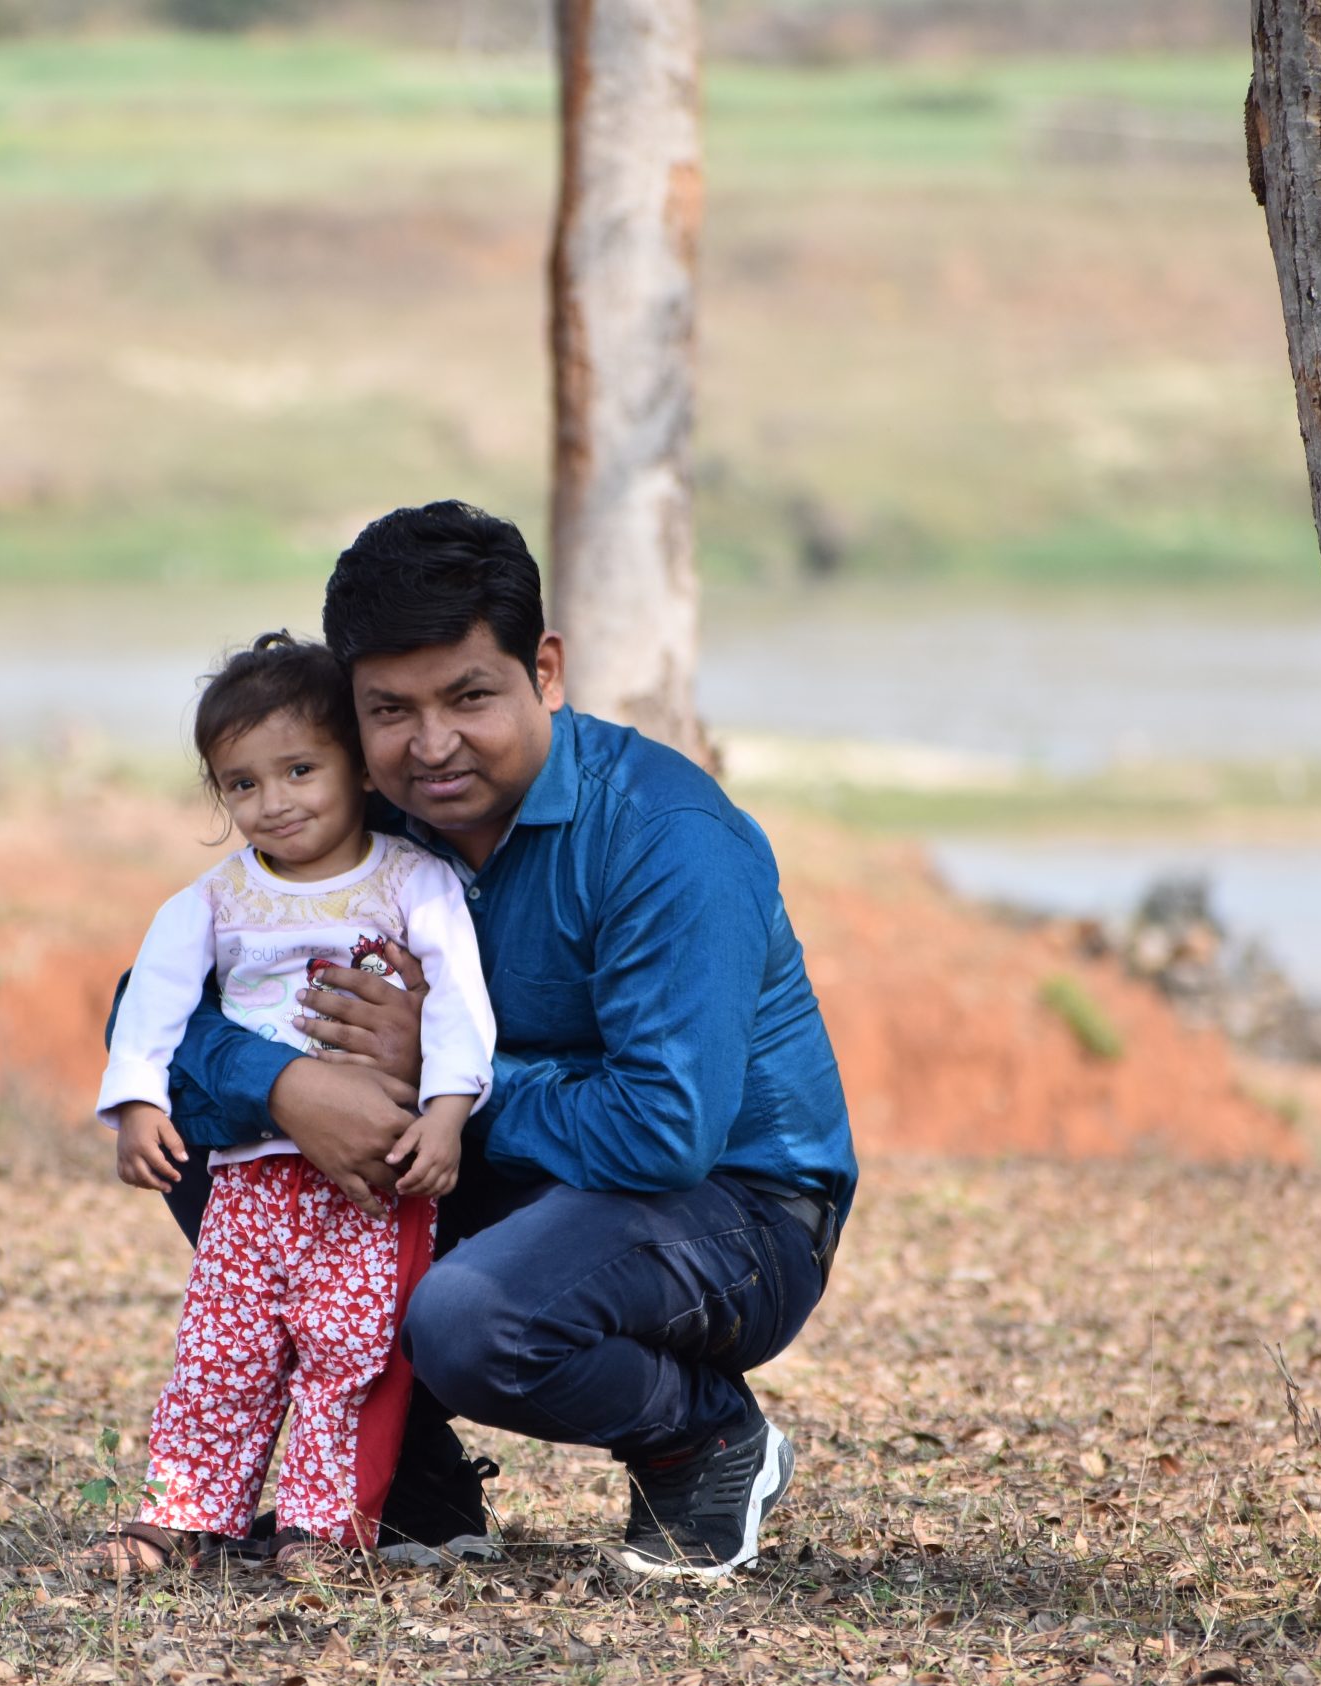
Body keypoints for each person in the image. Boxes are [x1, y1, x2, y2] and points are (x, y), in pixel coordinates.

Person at [149, 502, 856, 1578]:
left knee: (474, 1319)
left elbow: (664, 1133)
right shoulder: (363, 825)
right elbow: (150, 1015)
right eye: (389, 710)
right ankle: (413, 1489)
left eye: (470, 697)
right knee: (211, 1132)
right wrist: (288, 1086)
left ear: (547, 671)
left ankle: (702, 1439)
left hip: (732, 1212)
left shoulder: (667, 839)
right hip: (501, 1165)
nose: (430, 746)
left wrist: (437, 1073)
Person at [83, 631, 497, 1575]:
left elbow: (461, 1007)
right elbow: (152, 1003)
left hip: (374, 1183)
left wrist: (445, 1112)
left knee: (349, 1354)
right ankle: (186, 1516)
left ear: (357, 766)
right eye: (242, 783)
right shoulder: (214, 899)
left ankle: (323, 1528)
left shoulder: (412, 880)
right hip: (250, 1179)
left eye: (301, 769)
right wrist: (139, 1103)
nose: (275, 802)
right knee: (222, 1346)